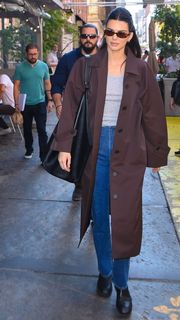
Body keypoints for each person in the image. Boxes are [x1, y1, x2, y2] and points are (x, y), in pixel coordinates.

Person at [52, 7, 169, 315]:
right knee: (99, 214)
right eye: (110, 32)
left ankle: (121, 283)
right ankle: (104, 271)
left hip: (130, 150)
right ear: (104, 33)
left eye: (121, 33)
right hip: (96, 150)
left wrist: (157, 153)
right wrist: (64, 146)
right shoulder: (86, 67)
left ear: (129, 35)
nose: (115, 38)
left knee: (126, 221)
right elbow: (71, 104)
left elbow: (154, 113)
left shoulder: (141, 69)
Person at [52, 23, 99, 201]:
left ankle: (95, 193)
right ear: (80, 37)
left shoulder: (107, 59)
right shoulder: (68, 59)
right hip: (76, 114)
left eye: (92, 36)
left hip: (100, 114)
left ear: (97, 38)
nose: (88, 39)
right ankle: (79, 185)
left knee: (97, 154)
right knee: (78, 150)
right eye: (84, 36)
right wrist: (58, 105)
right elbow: (57, 84)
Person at [13, 44, 54, 162]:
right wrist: (17, 104)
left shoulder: (43, 66)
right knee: (27, 129)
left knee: (42, 130)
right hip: (25, 103)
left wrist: (50, 100)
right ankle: (29, 149)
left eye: (35, 54)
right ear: (26, 54)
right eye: (30, 54)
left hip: (40, 102)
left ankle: (43, 155)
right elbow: (16, 86)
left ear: (38, 53)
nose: (33, 56)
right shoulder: (20, 67)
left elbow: (47, 83)